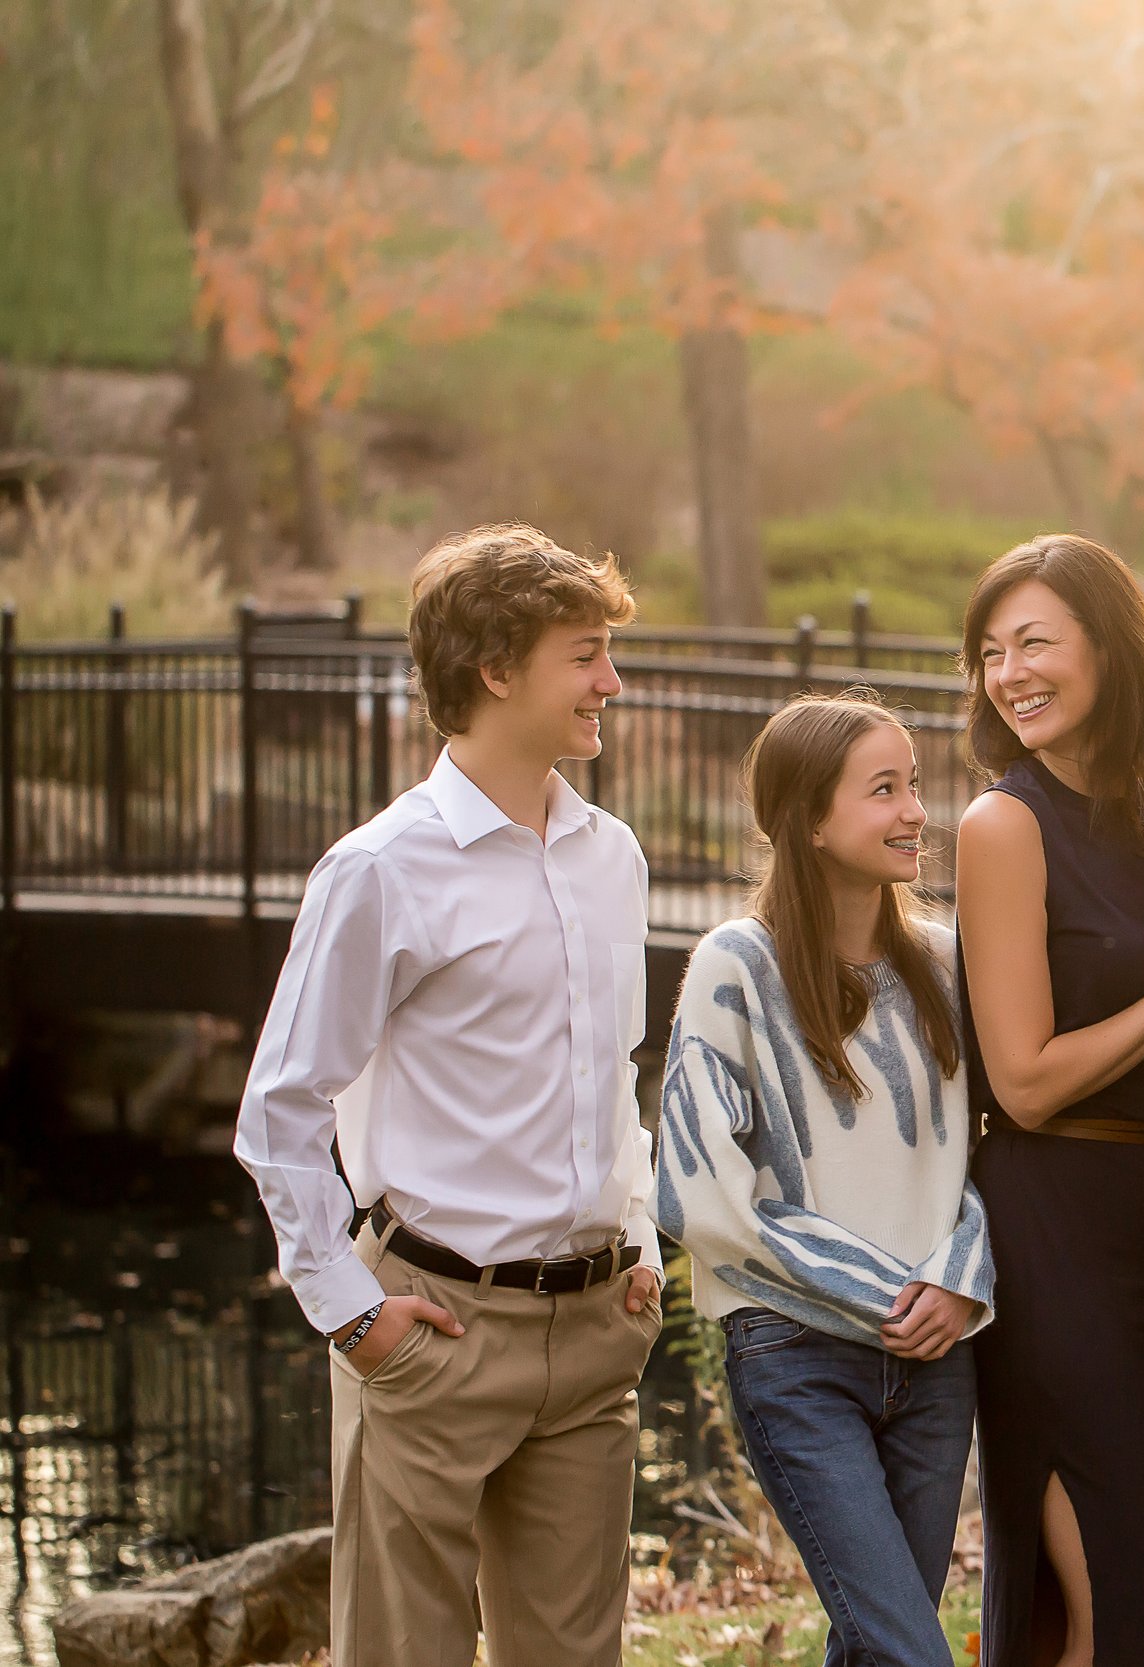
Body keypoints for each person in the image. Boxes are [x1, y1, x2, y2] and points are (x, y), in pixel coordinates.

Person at [233, 523, 659, 1667]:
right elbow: (280, 1108)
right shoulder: (380, 869)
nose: (609, 681)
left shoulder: (613, 853)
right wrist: (350, 1310)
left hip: (595, 1330)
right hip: (433, 1327)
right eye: (585, 654)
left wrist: (644, 1236)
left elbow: (615, 1075)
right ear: (496, 667)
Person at [953, 535, 1144, 1667]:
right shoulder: (1003, 825)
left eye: (1035, 642)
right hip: (1051, 1219)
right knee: (1117, 1577)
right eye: (991, 652)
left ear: (1111, 649)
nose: (1011, 673)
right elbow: (1021, 1080)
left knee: (1107, 1571)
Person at [658, 693, 993, 1667]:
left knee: (876, 1646)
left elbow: (994, 1151)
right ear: (810, 817)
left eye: (915, 785)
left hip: (936, 1355)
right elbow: (696, 1189)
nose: (915, 812)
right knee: (909, 1649)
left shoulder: (944, 962)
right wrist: (890, 1287)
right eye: (883, 789)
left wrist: (958, 1276)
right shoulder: (735, 968)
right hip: (798, 1357)